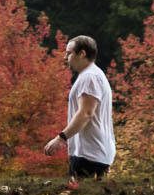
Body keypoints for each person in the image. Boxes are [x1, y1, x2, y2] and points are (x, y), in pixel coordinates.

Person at [45, 35, 114, 185]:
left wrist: (61, 138)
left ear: (82, 54)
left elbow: (86, 113)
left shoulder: (90, 77)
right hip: (94, 153)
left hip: (89, 155)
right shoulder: (94, 75)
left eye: (69, 53)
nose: (65, 57)